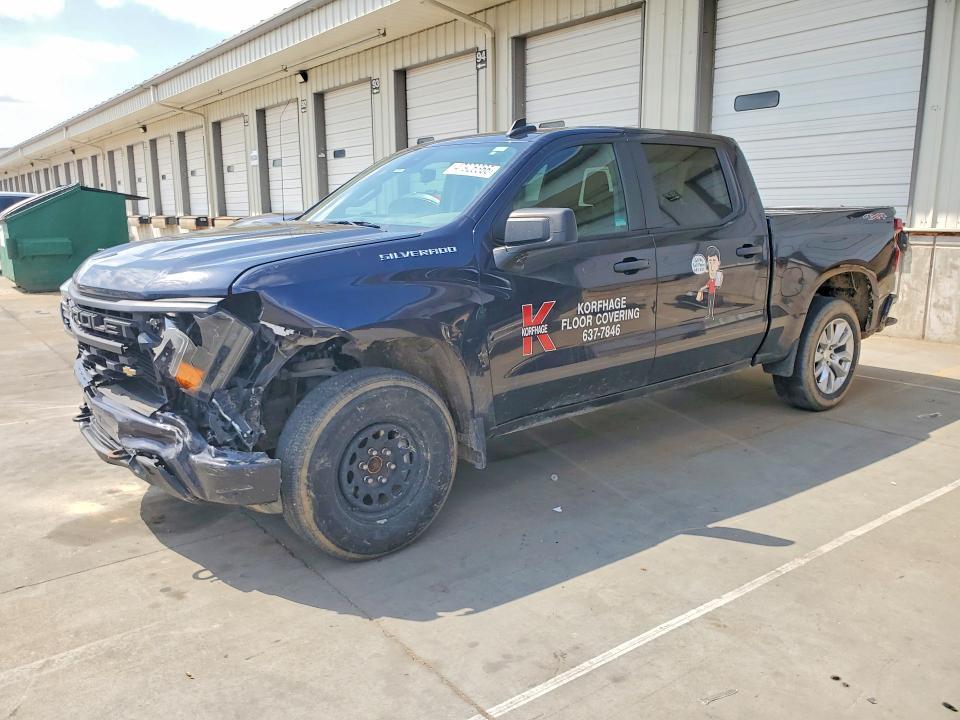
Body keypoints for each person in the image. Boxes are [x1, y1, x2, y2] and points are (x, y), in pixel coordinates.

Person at [696, 246, 723, 319]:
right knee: (709, 304)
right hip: (710, 293)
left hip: (712, 293)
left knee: (711, 304)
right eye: (709, 261)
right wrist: (702, 288)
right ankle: (709, 315)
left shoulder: (717, 276)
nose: (711, 265)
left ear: (719, 263)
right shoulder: (711, 279)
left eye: (714, 261)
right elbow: (708, 284)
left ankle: (711, 315)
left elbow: (717, 285)